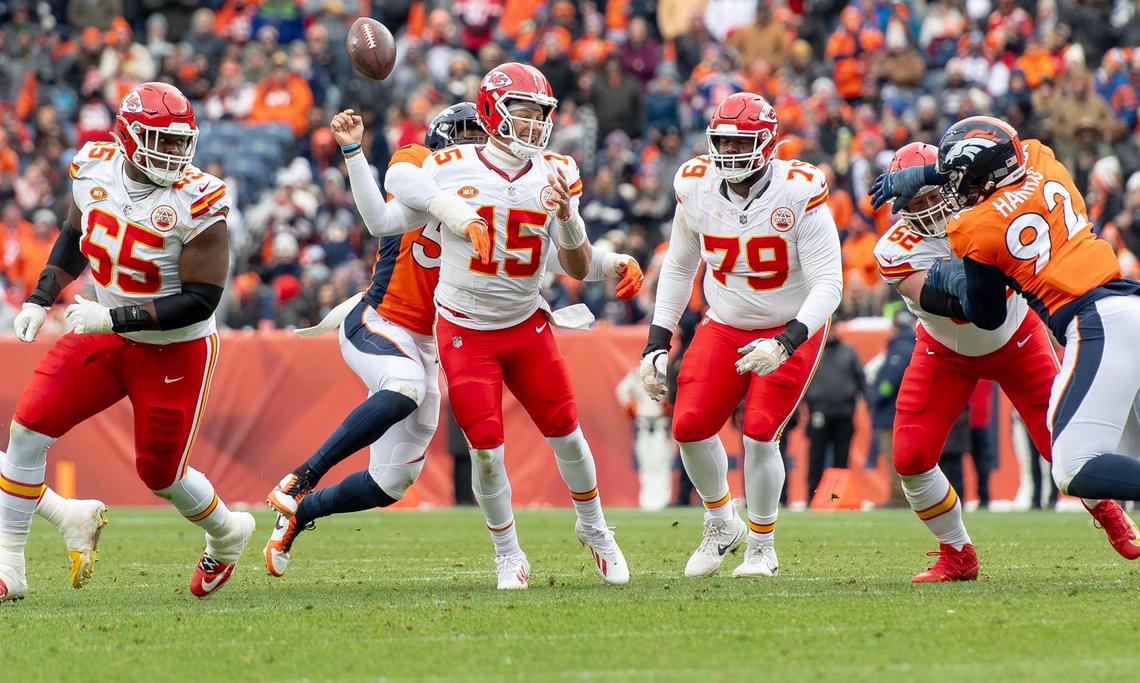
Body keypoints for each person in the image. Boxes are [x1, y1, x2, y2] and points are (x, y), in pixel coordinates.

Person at [385, 63, 644, 590]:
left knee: (569, 436)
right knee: (485, 451)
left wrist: (572, 220)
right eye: (521, 114)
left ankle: (595, 530)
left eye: (540, 115)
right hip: (464, 332)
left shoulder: (558, 171)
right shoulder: (453, 164)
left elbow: (570, 265)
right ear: (491, 112)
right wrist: (453, 214)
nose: (533, 126)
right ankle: (507, 552)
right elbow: (397, 177)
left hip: (526, 325)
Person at [1, 82, 255, 602]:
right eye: (162, 140)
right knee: (28, 426)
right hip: (106, 330)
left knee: (159, 475)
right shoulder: (94, 166)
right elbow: (77, 234)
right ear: (127, 136)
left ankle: (228, 534)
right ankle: (9, 567)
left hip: (174, 347)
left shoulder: (199, 199)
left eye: (182, 142)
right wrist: (40, 297)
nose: (176, 154)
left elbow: (202, 299)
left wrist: (113, 318)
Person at [870, 118, 1140, 564]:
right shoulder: (1032, 162)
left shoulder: (979, 221)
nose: (932, 207)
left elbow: (988, 310)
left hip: (1017, 338)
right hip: (945, 350)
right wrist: (953, 279)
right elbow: (946, 304)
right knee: (911, 456)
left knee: (1062, 448)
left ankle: (1112, 515)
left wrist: (964, 273)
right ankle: (956, 552)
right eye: (919, 201)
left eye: (937, 194)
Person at [262, 103, 490, 576]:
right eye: (461, 138)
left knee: (391, 483)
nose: (469, 149)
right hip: (378, 319)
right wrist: (352, 151)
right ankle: (301, 477)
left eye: (478, 139)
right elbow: (380, 213)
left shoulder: (494, 198)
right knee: (404, 385)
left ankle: (301, 514)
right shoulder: (416, 162)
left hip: (425, 341)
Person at [640, 92, 843, 579]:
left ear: (768, 144)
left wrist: (787, 341)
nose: (730, 152)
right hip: (725, 319)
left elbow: (830, 282)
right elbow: (678, 265)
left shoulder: (799, 188)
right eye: (723, 140)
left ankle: (762, 544)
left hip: (790, 322)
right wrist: (656, 342)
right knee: (688, 426)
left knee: (758, 432)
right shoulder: (695, 185)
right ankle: (720, 523)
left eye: (741, 140)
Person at [803, 326, 865, 500]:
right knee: (816, 457)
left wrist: (862, 399)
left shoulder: (848, 352)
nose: (830, 333)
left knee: (841, 458)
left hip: (844, 413)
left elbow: (860, 379)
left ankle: (838, 498)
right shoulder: (814, 351)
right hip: (819, 411)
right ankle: (812, 497)